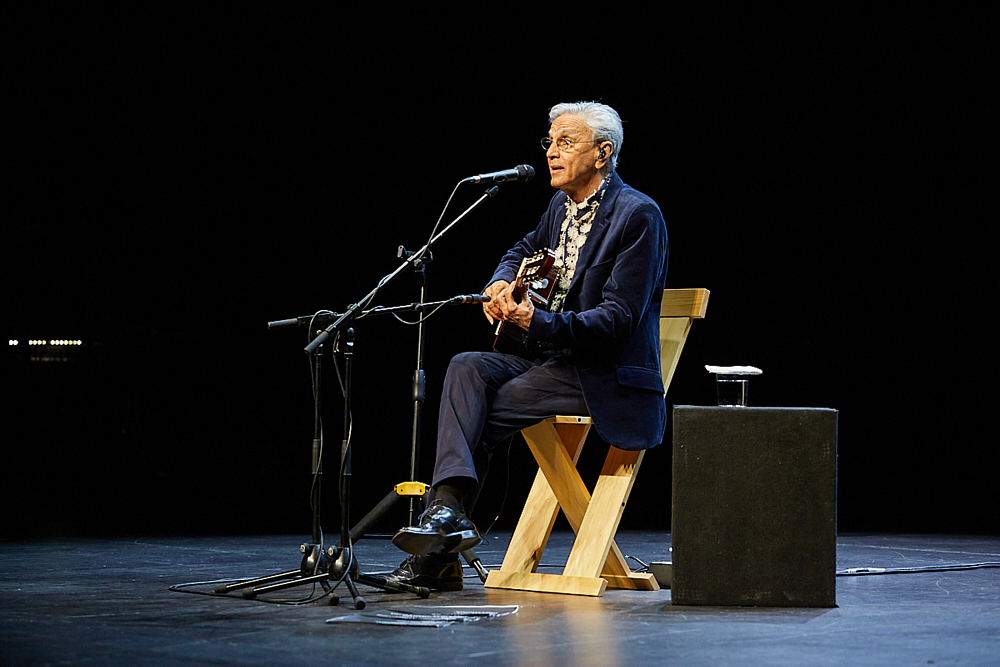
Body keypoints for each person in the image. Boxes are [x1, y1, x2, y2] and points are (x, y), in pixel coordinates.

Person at [387, 101, 669, 591]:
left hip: (603, 371)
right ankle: (445, 521)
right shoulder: (561, 207)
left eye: (565, 142)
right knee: (466, 367)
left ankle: (436, 551)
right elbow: (520, 250)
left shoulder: (638, 216)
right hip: (550, 361)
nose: (551, 153)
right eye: (550, 142)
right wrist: (499, 284)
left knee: (485, 409)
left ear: (602, 153)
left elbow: (617, 321)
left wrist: (537, 321)